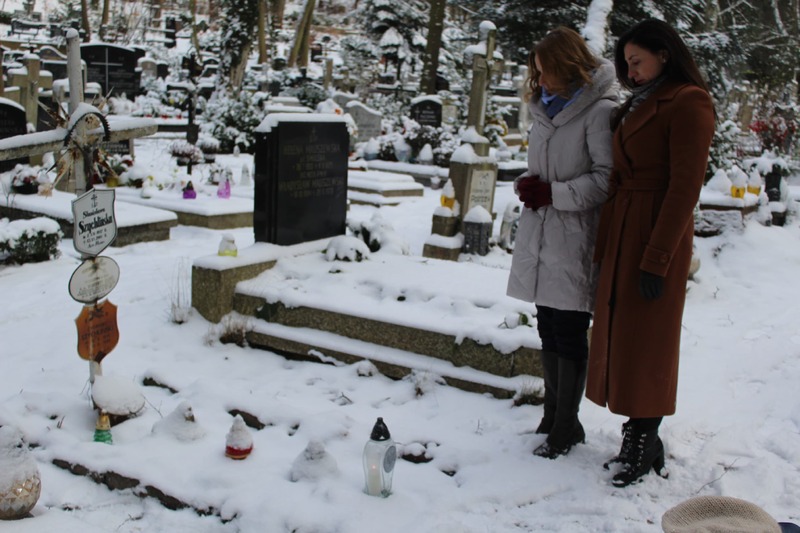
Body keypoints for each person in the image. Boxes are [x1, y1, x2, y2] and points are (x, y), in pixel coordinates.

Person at [586, 19, 716, 486]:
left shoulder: (688, 101)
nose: (630, 71)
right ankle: (637, 433)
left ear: (664, 53)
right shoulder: (639, 102)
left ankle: (645, 437)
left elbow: (685, 188)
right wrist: (606, 243)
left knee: (649, 340)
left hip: (656, 230)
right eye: (626, 64)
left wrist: (658, 258)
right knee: (625, 335)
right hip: (625, 226)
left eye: (636, 61)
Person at [506, 27, 617, 459]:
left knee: (569, 330)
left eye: (546, 70)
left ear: (569, 66)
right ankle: (552, 416)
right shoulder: (544, 109)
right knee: (547, 325)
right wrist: (527, 183)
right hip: (541, 233)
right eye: (537, 71)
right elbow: (543, 167)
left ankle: (567, 427)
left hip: (574, 236)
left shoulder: (599, 111)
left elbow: (606, 180)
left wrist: (552, 193)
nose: (541, 80)